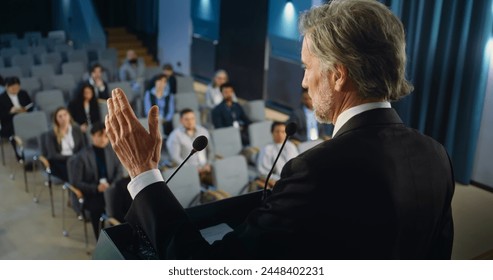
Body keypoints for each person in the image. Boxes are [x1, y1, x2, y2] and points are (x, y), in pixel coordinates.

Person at [106, 0, 454, 259]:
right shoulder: (436, 157)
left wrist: (143, 173)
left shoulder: (318, 171)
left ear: (338, 74)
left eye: (307, 67)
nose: (304, 81)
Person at [71, 122, 123, 239]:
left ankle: (121, 236)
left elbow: (119, 172)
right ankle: (100, 239)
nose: (105, 139)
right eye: (101, 135)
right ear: (92, 136)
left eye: (107, 136)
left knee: (122, 204)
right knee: (97, 209)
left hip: (110, 189)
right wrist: (96, 188)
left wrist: (111, 185)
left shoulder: (112, 151)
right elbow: (77, 182)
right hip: (92, 192)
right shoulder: (81, 156)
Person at [166, 108, 214, 185]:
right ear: (181, 120)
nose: (190, 122)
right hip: (189, 171)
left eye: (192, 118)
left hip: (206, 168)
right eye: (187, 119)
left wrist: (208, 164)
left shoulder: (203, 131)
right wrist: (191, 170)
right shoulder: (175, 136)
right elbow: (175, 157)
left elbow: (211, 151)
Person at [42, 107, 86, 181]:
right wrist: (71, 157)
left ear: (69, 116)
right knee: (74, 174)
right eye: (60, 116)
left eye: (65, 115)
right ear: (56, 119)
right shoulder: (51, 134)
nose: (63, 118)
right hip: (59, 162)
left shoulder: (76, 128)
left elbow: (83, 146)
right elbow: (52, 155)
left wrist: (77, 157)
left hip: (75, 159)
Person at [256, 121, 299, 189]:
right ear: (272, 133)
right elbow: (263, 173)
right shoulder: (267, 149)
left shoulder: (291, 146)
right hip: (277, 183)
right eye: (277, 131)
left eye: (282, 132)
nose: (280, 134)